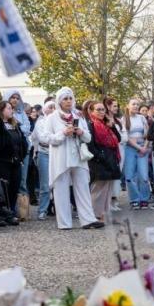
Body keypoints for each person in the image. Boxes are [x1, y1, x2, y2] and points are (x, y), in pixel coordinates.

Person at [45, 87, 104, 230]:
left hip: (78, 156)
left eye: (70, 98)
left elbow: (88, 137)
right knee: (61, 189)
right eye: (65, 99)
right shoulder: (51, 118)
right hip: (61, 157)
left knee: (83, 187)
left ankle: (88, 219)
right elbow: (47, 138)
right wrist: (63, 133)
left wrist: (80, 131)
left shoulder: (79, 116)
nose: (68, 101)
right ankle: (64, 223)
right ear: (59, 101)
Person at [85, 101, 121, 222]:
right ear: (91, 111)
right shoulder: (90, 124)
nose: (101, 112)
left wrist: (113, 126)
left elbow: (118, 139)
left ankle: (105, 214)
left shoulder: (106, 123)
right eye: (98, 110)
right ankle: (95, 215)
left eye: (103, 110)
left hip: (110, 158)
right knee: (98, 189)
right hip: (98, 160)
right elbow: (90, 144)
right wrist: (100, 156)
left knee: (107, 189)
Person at [3, 90, 32, 199]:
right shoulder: (2, 113)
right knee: (10, 180)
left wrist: (16, 127)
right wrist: (18, 128)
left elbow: (27, 129)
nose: (15, 100)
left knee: (22, 180)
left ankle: (23, 211)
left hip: (23, 150)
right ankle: (11, 209)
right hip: (9, 151)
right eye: (12, 97)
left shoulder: (22, 113)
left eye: (17, 98)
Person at [30, 99, 56, 220]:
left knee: (59, 183)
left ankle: (59, 209)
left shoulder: (60, 121)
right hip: (44, 153)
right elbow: (41, 138)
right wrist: (57, 138)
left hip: (57, 154)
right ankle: (42, 210)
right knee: (45, 184)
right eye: (50, 107)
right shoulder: (40, 122)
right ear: (45, 109)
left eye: (54, 107)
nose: (52, 110)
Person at [124, 98, 151, 210]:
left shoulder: (142, 118)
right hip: (130, 148)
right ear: (128, 106)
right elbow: (126, 137)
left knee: (144, 175)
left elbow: (148, 134)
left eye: (137, 104)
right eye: (133, 104)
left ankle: (144, 198)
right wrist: (138, 147)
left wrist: (144, 147)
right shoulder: (124, 119)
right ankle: (134, 199)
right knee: (130, 176)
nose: (135, 106)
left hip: (143, 148)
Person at [103, 96, 126, 211]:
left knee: (117, 176)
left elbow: (124, 136)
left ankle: (114, 200)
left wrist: (120, 139)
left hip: (120, 149)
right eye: (114, 106)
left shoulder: (118, 120)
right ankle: (107, 202)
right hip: (110, 150)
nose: (117, 108)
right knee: (110, 176)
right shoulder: (104, 119)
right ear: (108, 106)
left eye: (117, 106)